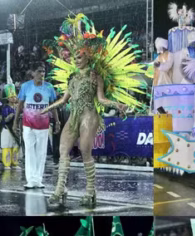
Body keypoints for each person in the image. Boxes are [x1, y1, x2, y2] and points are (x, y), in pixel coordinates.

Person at [42, 14, 145, 207]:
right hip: (73, 116)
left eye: (79, 56)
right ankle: (59, 189)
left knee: (84, 151)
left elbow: (102, 99)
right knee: (63, 150)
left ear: (88, 55)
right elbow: (64, 100)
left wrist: (118, 105)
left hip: (89, 115)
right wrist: (48, 108)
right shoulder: (71, 78)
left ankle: (90, 192)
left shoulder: (94, 75)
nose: (76, 59)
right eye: (74, 57)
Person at [14, 62, 59, 189]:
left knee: (41, 153)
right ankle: (31, 180)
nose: (42, 74)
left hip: (44, 125)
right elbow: (20, 105)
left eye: (43, 71)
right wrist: (15, 122)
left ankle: (38, 180)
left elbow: (53, 106)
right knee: (29, 152)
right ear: (32, 73)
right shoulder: (25, 87)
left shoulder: (49, 87)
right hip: (28, 125)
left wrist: (57, 122)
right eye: (39, 71)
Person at [1, 84, 21, 170]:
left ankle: (15, 163)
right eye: (12, 97)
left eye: (15, 96)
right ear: (8, 99)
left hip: (16, 129)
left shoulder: (18, 107)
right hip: (7, 129)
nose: (14, 98)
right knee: (7, 146)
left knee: (15, 146)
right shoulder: (5, 107)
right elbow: (6, 119)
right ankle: (7, 163)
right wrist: (13, 114)